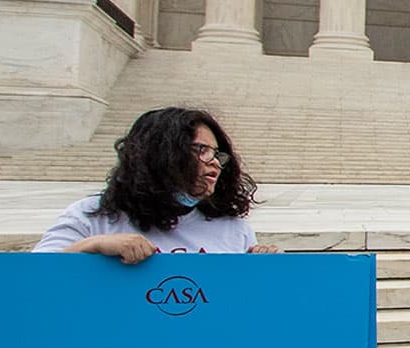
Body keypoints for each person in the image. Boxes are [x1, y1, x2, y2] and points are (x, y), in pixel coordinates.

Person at [36, 107, 270, 259]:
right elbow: (30, 279)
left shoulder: (233, 228)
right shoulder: (91, 216)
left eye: (217, 154)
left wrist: (266, 267)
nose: (215, 163)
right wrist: (94, 245)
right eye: (201, 150)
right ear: (160, 153)